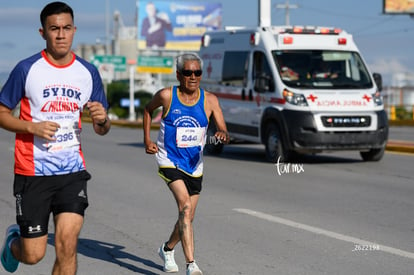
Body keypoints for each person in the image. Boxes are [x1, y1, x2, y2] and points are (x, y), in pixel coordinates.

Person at [0, 2, 110, 274]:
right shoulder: (27, 69)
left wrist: (102, 119)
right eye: (54, 29)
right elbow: (1, 112)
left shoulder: (88, 72)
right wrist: (31, 128)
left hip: (72, 171)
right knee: (33, 254)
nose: (61, 35)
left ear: (74, 30)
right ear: (43, 33)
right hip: (32, 172)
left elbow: (102, 128)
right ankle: (14, 244)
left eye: (66, 28)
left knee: (67, 243)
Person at [143, 53, 228, 275]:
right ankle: (192, 264)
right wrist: (147, 140)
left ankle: (167, 248)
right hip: (168, 159)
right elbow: (147, 109)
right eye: (188, 73)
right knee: (185, 207)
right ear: (178, 74)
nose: (193, 77)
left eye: (197, 73)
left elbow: (223, 128)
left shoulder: (210, 100)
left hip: (194, 164)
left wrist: (221, 134)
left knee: (187, 217)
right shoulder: (166, 96)